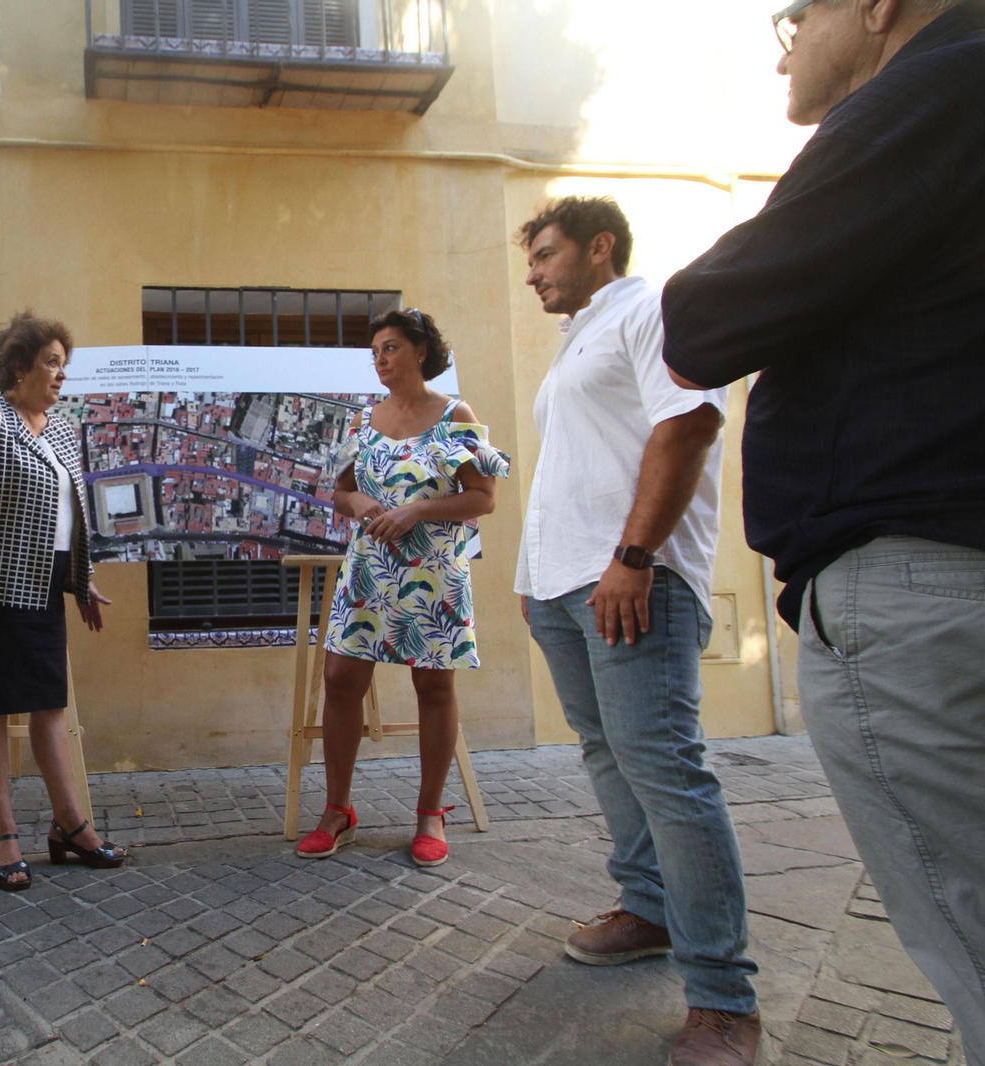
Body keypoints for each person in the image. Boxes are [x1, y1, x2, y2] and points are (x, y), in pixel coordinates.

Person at [662, 2, 985, 1060]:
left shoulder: (922, 94)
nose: (786, 43)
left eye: (798, 15)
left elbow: (703, 322)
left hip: (919, 587)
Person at [514, 197, 760, 1065]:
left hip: (629, 580)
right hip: (565, 585)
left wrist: (636, 554)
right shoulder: (578, 338)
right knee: (606, 751)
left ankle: (724, 996)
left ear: (600, 247)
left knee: (664, 767)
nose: (535, 272)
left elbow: (689, 421)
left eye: (545, 254)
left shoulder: (654, 309)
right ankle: (648, 906)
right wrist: (534, 578)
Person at [296, 309, 508, 869]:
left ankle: (430, 814)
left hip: (432, 573)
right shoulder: (365, 421)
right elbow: (339, 493)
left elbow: (484, 497)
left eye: (390, 348)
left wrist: (418, 510)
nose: (380, 359)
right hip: (368, 569)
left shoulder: (455, 414)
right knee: (341, 679)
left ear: (420, 352)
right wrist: (360, 502)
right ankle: (337, 811)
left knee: (433, 688)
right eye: (375, 351)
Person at [0, 311, 123, 891]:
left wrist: (79, 579)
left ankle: (69, 825)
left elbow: (70, 516)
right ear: (19, 366)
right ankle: (3, 831)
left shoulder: (60, 428)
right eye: (52, 362)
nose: (62, 374)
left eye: (65, 363)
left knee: (49, 707)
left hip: (41, 594)